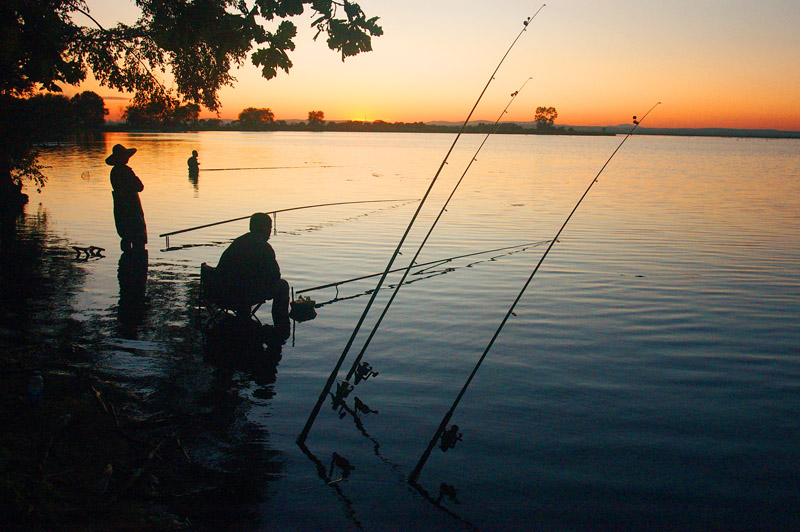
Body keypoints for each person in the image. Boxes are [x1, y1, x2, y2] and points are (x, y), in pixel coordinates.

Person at [212, 212, 289, 330]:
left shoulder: (238, 242)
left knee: (245, 282)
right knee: (282, 285)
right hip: (241, 296)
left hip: (219, 294)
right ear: (263, 228)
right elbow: (275, 277)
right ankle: (280, 328)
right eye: (269, 227)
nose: (270, 231)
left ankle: (243, 317)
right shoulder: (264, 247)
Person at [106, 144, 147, 251]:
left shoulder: (114, 172)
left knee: (126, 235)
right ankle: (137, 262)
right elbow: (139, 187)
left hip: (120, 207)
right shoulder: (126, 171)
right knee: (138, 236)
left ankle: (126, 262)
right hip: (131, 208)